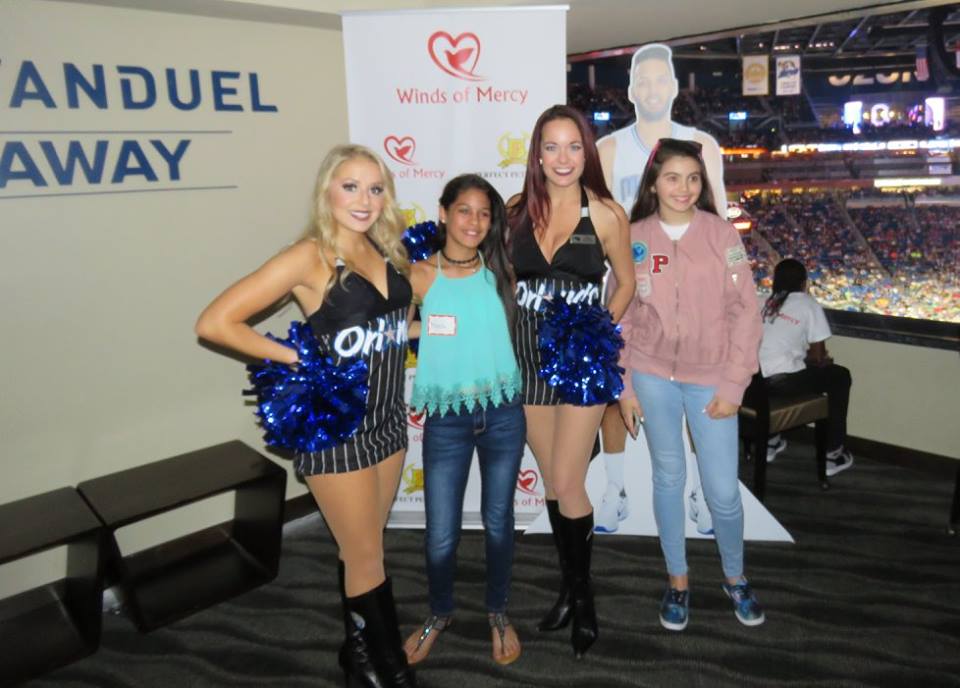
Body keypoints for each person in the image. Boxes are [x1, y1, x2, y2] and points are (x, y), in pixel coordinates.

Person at [195, 144, 417, 688]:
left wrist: (433, 330)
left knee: (364, 546)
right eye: (350, 186)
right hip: (336, 429)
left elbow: (386, 327)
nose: (364, 199)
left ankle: (358, 652)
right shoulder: (308, 257)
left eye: (375, 188)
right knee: (365, 555)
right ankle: (388, 669)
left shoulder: (385, 247)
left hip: (388, 421)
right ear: (327, 191)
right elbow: (215, 322)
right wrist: (296, 358)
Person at [617, 138, 764, 633]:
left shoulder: (721, 234)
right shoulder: (634, 236)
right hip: (652, 375)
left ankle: (735, 576)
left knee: (721, 490)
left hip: (711, 380)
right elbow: (620, 316)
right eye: (673, 178)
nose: (684, 188)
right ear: (653, 184)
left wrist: (734, 384)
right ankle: (677, 580)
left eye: (693, 178)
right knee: (668, 478)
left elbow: (746, 313)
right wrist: (625, 387)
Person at [508, 104, 635, 657]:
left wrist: (599, 329)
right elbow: (502, 284)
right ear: (537, 154)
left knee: (568, 479)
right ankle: (567, 588)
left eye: (574, 146)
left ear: (588, 153)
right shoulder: (515, 211)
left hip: (580, 362)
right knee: (554, 484)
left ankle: (584, 602)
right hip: (527, 361)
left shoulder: (606, 214)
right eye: (552, 147)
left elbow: (626, 284)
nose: (563, 158)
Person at [596, 42, 726, 534]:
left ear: (674, 87)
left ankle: (697, 492)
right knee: (614, 386)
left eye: (659, 79)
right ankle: (615, 490)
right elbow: (601, 222)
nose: (651, 88)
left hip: (688, 289)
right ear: (631, 90)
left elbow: (716, 217)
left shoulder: (701, 144)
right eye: (642, 80)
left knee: (690, 390)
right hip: (626, 281)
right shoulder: (609, 149)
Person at [401, 175, 525, 667]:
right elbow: (396, 329)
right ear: (444, 213)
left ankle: (498, 611)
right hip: (446, 421)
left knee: (498, 523)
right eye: (464, 210)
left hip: (503, 414)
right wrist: (430, 328)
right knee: (440, 534)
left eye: (484, 213)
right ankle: (439, 613)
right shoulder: (418, 275)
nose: (474, 221)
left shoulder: (499, 269)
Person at [759, 258, 854, 475]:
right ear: (804, 283)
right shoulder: (807, 303)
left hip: (753, 382)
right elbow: (818, 357)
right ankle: (833, 453)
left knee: (791, 370)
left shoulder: (763, 301)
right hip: (781, 382)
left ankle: (771, 441)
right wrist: (819, 360)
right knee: (840, 376)